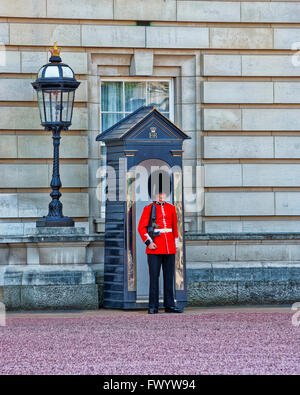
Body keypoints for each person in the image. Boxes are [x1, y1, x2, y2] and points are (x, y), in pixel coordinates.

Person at [138, 192, 183, 314]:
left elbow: (174, 227)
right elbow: (141, 227)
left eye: (163, 193)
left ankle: (169, 305)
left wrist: (175, 244)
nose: (161, 196)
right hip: (155, 247)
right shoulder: (148, 209)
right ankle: (153, 306)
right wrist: (149, 242)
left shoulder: (171, 208)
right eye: (158, 194)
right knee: (154, 278)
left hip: (169, 248)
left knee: (169, 278)